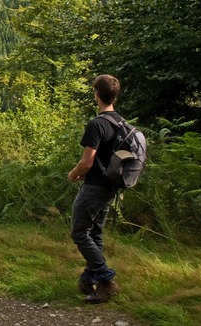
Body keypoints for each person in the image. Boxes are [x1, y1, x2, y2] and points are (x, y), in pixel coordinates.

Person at [67, 74, 123, 304]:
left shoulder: (97, 124)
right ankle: (91, 279)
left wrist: (73, 174)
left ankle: (107, 281)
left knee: (79, 232)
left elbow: (87, 161)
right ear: (114, 96)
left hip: (95, 187)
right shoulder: (120, 122)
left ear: (96, 95)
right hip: (111, 187)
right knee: (95, 233)